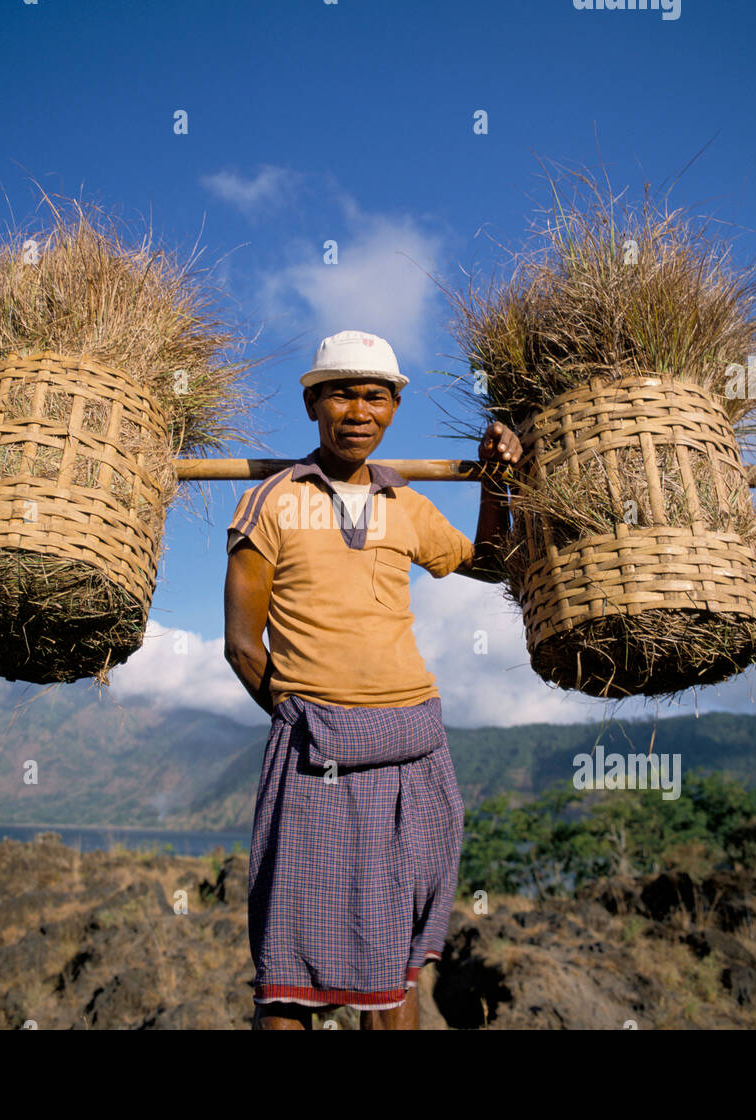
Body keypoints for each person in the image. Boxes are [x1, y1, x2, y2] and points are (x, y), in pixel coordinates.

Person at [223, 328, 524, 1030]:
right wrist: (307, 721)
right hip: (313, 754)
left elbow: (488, 561)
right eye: (341, 394)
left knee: (393, 979)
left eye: (375, 396)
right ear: (311, 405)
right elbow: (243, 645)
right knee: (288, 975)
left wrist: (498, 481)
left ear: (392, 409)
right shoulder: (274, 501)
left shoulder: (404, 503)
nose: (358, 411)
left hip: (414, 747)